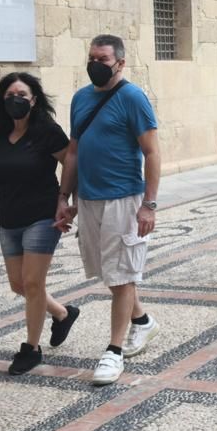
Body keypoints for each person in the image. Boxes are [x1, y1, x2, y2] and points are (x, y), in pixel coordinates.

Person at [55, 34, 160, 386]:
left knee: (121, 276)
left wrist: (149, 205)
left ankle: (113, 352)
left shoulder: (132, 97)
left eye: (102, 59)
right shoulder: (80, 99)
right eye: (91, 58)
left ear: (120, 63)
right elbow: (72, 151)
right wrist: (63, 197)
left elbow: (152, 152)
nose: (95, 65)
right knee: (111, 274)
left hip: (123, 198)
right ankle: (143, 321)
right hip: (88, 198)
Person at [0, 72, 78, 376]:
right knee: (19, 284)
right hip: (8, 218)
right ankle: (62, 314)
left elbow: (72, 163)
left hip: (42, 216)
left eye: (22, 94)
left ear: (34, 100)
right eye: (10, 95)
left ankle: (31, 349)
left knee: (34, 283)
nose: (16, 100)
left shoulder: (47, 131)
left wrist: (67, 201)